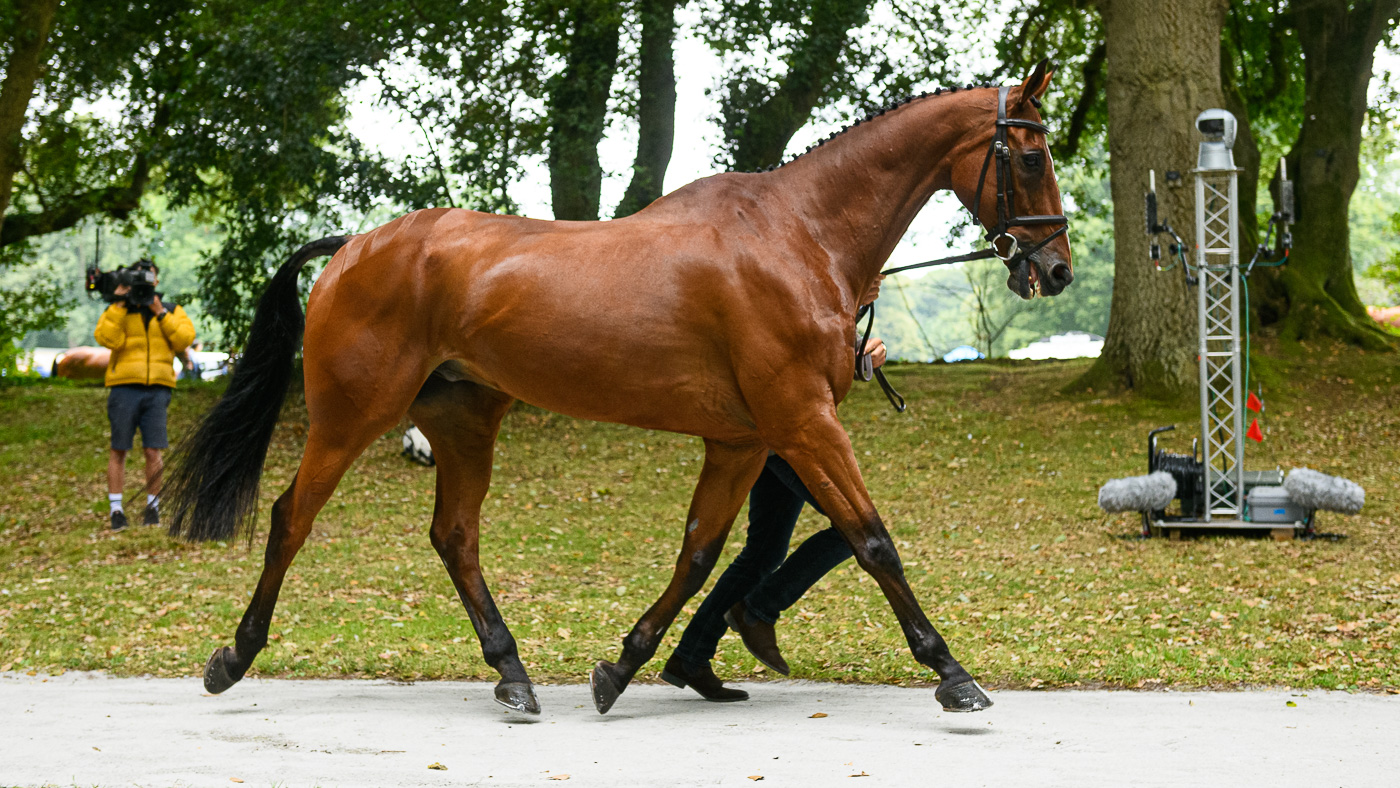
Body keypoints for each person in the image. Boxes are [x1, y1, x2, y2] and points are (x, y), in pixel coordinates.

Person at [661, 278, 888, 701]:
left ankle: (690, 657)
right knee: (850, 530)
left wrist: (863, 351)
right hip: (778, 433)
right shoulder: (796, 277)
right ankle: (756, 611)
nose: (878, 282)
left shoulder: (832, 292)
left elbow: (814, 354)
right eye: (875, 276)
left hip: (772, 435)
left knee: (763, 552)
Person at [94, 260, 196, 531]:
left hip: (158, 389)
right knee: (119, 448)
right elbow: (106, 338)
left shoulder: (172, 310)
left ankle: (153, 507)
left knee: (154, 450)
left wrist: (160, 312)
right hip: (124, 386)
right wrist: (119, 303)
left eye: (148, 278)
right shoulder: (119, 310)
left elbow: (184, 339)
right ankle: (116, 509)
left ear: (157, 281)